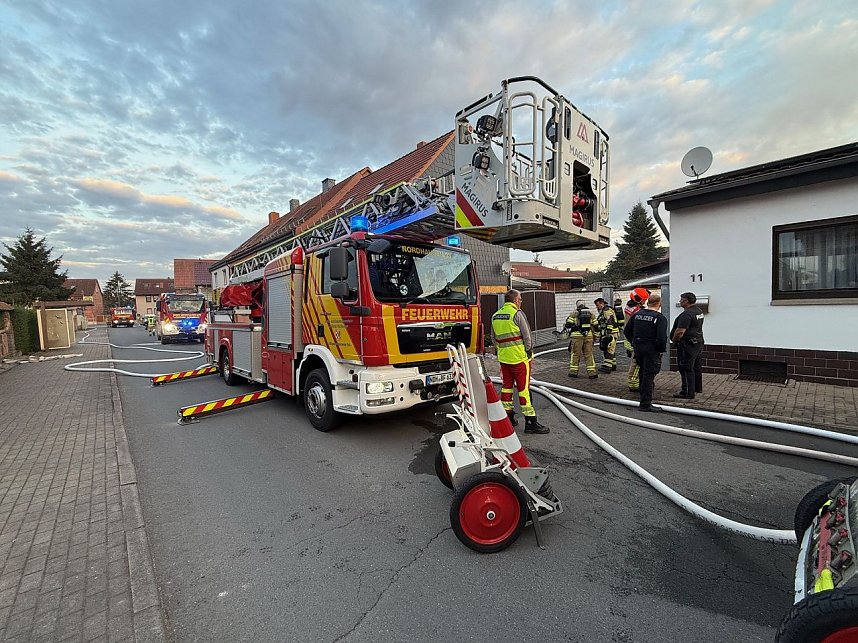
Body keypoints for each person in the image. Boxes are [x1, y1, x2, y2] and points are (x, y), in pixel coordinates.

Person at [491, 289, 549, 434]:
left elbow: (493, 338)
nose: (521, 302)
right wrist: (528, 351)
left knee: (506, 387)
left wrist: (502, 351)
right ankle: (530, 422)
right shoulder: (517, 314)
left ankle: (508, 418)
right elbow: (527, 336)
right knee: (524, 390)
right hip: (519, 358)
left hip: (504, 359)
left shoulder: (495, 315)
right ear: (515, 300)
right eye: (520, 299)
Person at [624, 293, 667, 412]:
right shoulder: (659, 318)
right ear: (659, 304)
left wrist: (634, 342)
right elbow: (662, 337)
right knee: (649, 375)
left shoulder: (637, 315)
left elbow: (627, 331)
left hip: (638, 348)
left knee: (642, 373)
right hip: (651, 350)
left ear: (648, 303)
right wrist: (660, 349)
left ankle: (643, 399)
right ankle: (645, 404)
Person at [671, 291, 705, 399]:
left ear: (686, 301)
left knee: (685, 367)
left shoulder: (686, 314)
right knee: (696, 366)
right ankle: (697, 387)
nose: (680, 301)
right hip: (698, 342)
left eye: (681, 299)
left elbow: (680, 331)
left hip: (687, 344)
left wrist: (674, 340)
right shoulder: (698, 311)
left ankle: (687, 392)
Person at [623, 288, 650, 392]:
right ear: (638, 299)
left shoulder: (628, 306)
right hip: (636, 339)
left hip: (629, 338)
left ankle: (634, 381)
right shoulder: (637, 310)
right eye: (644, 300)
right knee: (636, 362)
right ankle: (633, 384)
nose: (645, 301)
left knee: (635, 361)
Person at [564, 300, 597, 379]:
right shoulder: (591, 313)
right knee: (589, 354)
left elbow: (568, 325)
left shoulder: (574, 313)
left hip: (577, 337)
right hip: (588, 336)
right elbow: (596, 325)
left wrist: (572, 318)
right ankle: (592, 373)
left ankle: (573, 372)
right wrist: (596, 336)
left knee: (575, 354)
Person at [594, 297, 619, 373]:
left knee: (608, 350)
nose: (597, 307)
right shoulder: (605, 310)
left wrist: (608, 333)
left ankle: (607, 367)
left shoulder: (607, 310)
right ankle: (613, 365)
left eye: (597, 305)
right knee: (611, 349)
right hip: (611, 332)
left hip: (611, 333)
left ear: (602, 303)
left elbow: (610, 321)